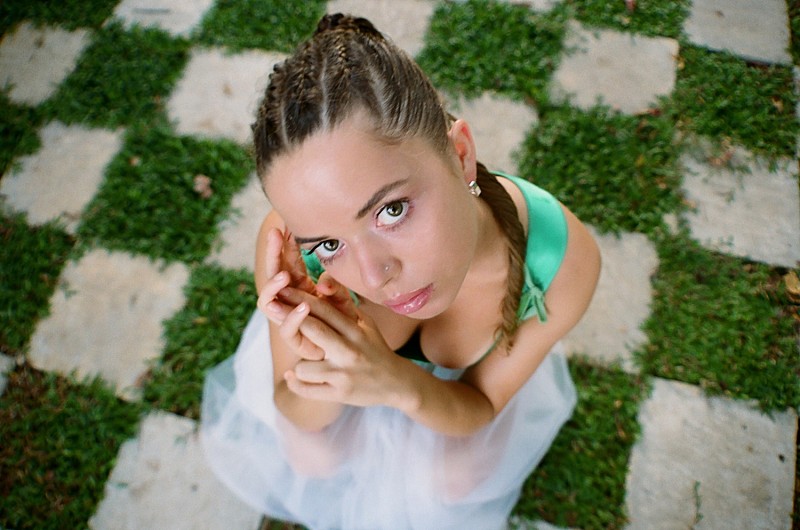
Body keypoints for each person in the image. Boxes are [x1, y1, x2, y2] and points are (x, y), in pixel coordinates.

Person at [201, 13, 600, 530]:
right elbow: (294, 407)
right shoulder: (296, 258)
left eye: (391, 211)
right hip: (350, 395)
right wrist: (320, 352)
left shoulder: (561, 262)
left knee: (456, 477)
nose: (374, 277)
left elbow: (480, 404)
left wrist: (396, 383)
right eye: (329, 243)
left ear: (460, 154)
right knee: (313, 457)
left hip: (447, 402)